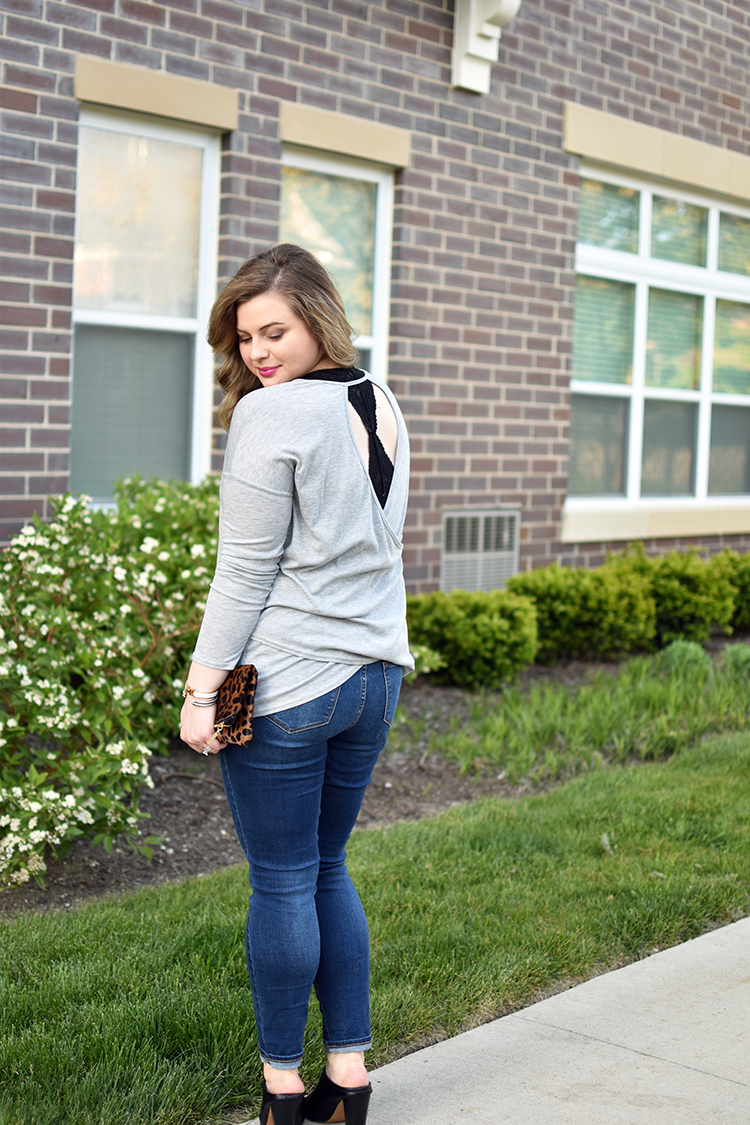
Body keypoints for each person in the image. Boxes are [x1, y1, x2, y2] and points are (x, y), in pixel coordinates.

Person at [179, 244, 412, 1125]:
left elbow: (243, 573)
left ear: (319, 315)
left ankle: (282, 1092)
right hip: (375, 679)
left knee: (282, 879)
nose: (259, 354)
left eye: (273, 329)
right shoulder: (380, 400)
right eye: (244, 339)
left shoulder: (271, 418)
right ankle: (348, 1080)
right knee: (328, 866)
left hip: (291, 686)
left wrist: (202, 692)